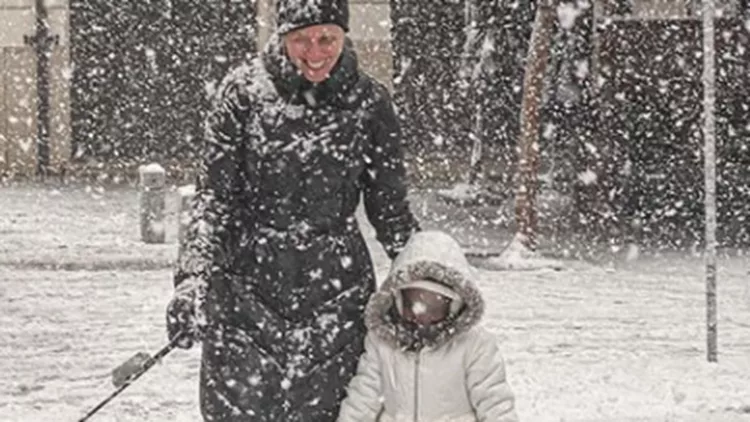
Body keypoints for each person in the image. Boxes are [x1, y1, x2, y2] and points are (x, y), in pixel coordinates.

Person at [165, 0, 420, 420]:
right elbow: (214, 200)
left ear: (344, 35)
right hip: (245, 293)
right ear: (281, 36)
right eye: (301, 39)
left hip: (337, 299)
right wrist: (192, 279)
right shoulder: (242, 96)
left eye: (327, 38)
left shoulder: (370, 104)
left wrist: (428, 280)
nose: (315, 52)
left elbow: (391, 212)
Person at [337, 230, 519, 422]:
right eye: (412, 303)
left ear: (454, 306)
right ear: (398, 299)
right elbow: (363, 399)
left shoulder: (475, 346)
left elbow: (495, 404)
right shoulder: (382, 342)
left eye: (434, 306)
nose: (421, 314)